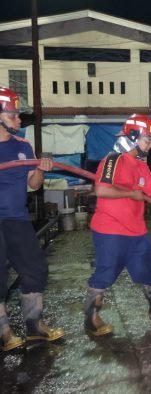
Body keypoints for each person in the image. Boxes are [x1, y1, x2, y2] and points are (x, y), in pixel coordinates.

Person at [84, 114, 151, 336]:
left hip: (137, 230)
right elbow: (102, 190)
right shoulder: (113, 160)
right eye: (147, 139)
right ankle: (91, 317)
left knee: (150, 271)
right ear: (133, 137)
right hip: (110, 229)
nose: (150, 144)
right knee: (105, 274)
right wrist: (131, 194)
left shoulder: (141, 166)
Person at [0, 86, 65, 351]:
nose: (18, 119)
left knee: (36, 268)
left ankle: (34, 325)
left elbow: (34, 185)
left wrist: (40, 169)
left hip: (17, 218)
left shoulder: (23, 146)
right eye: (13, 114)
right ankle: (4, 331)